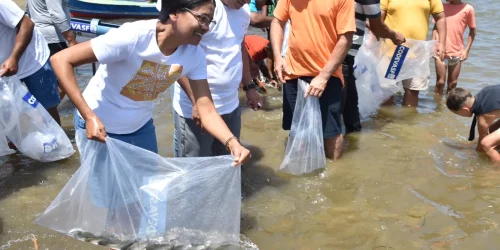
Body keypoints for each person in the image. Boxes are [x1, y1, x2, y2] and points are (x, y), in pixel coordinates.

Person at [49, 0, 251, 166]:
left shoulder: (194, 55)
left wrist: (232, 143)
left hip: (141, 127)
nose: (206, 28)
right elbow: (61, 60)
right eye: (202, 19)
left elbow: (206, 110)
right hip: (101, 129)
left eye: (210, 22)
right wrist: (89, 116)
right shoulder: (133, 36)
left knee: (146, 197)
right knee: (109, 202)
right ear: (175, 12)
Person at [170, 0, 262, 158]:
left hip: (231, 105)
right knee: (194, 172)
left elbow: (239, 47)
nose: (247, 1)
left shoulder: (244, 11)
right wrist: (195, 101)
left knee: (228, 163)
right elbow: (175, 55)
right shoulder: (201, 8)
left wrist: (249, 86)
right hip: (195, 109)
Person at [271, 0, 355, 160]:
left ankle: (334, 176)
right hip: (292, 72)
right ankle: (299, 172)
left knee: (330, 132)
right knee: (296, 129)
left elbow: (346, 38)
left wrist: (323, 76)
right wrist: (277, 57)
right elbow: (277, 21)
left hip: (328, 75)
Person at [342, 0, 406, 133]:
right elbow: (377, 26)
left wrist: (365, 22)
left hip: (319, 50)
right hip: (342, 55)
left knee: (346, 108)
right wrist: (393, 35)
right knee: (344, 112)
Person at [0, 0, 61, 124]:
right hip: (4, 69)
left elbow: (27, 24)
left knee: (47, 109)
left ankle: (57, 142)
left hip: (33, 60)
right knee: (7, 115)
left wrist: (14, 58)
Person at [381, 0, 447, 107]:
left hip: (417, 53)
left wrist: (442, 43)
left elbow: (440, 17)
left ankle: (409, 123)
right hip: (391, 51)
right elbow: (378, 20)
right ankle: (386, 122)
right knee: (386, 92)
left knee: (413, 90)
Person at [27, 0, 78, 100]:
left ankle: (43, 110)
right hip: (53, 38)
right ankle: (45, 113)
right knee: (65, 82)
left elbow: (29, 11)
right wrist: (71, 40)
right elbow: (56, 14)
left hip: (39, 37)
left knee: (49, 82)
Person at [447, 86, 500, 163]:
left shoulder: (483, 117)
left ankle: (496, 171)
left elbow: (481, 148)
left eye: (458, 113)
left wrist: (473, 155)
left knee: (485, 144)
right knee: (491, 132)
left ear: (465, 109)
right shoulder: (484, 92)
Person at [433, 0, 476, 95]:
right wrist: (434, 44)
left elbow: (472, 30)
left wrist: (466, 50)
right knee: (440, 82)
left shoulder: (468, 9)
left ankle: (449, 107)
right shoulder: (442, 7)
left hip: (457, 50)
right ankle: (437, 106)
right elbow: (436, 27)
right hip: (440, 49)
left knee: (453, 83)